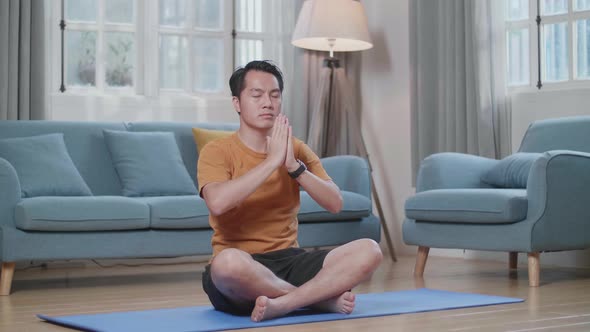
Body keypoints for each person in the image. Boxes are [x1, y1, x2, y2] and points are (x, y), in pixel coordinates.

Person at [197, 60, 382, 322]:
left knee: (370, 250)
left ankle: (285, 303)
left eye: (275, 95)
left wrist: (294, 167)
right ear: (237, 103)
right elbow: (217, 203)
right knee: (226, 265)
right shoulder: (216, 151)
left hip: (291, 261)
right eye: (256, 95)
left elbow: (334, 203)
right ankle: (319, 301)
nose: (267, 103)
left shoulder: (295, 149)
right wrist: (271, 162)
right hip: (242, 266)